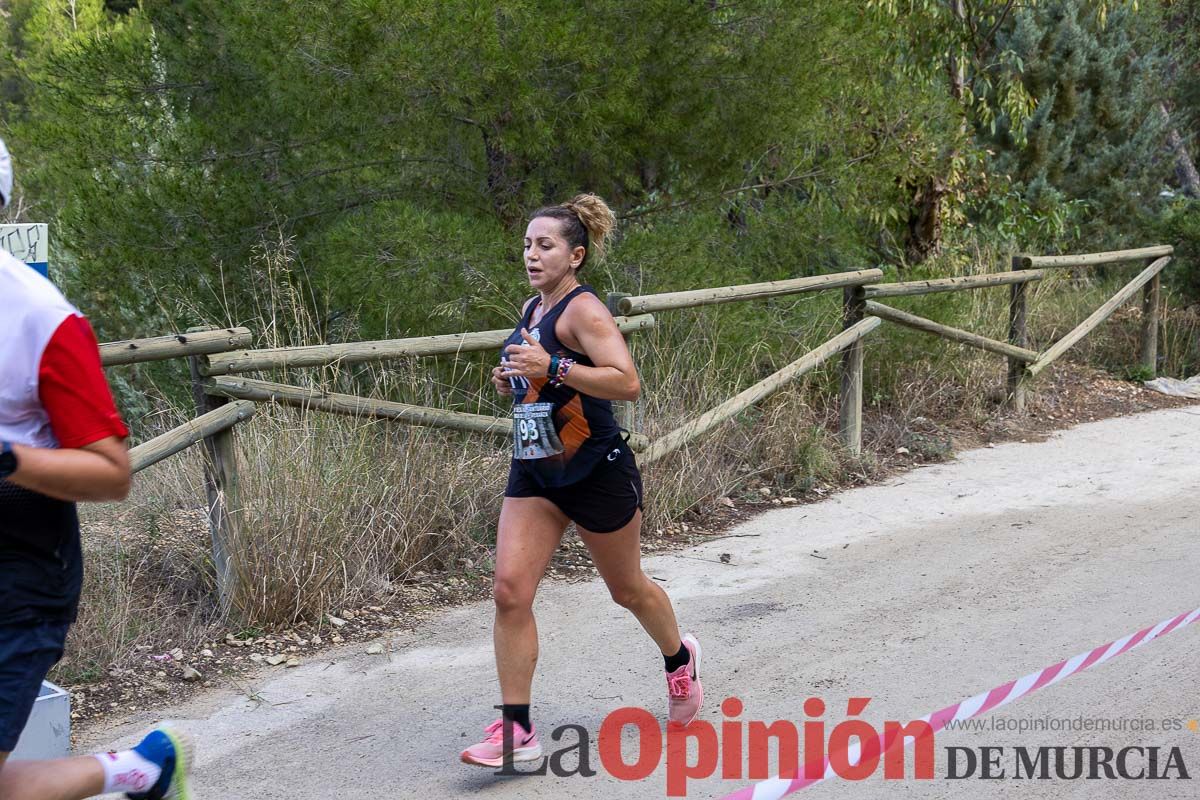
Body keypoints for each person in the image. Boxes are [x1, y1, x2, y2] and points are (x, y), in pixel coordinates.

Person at [460, 194, 703, 768]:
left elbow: (625, 383)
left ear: (575, 255)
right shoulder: (532, 306)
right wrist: (515, 381)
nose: (531, 254)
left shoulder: (584, 311)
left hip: (595, 471)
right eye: (526, 244)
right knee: (509, 592)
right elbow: (545, 382)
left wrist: (554, 368)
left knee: (627, 590)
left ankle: (678, 658)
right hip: (538, 469)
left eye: (544, 245)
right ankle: (515, 730)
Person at [0, 137, 193, 800]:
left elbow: (112, 473)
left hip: (19, 576)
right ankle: (142, 771)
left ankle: (141, 771)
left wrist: (5, 457)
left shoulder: (42, 318)